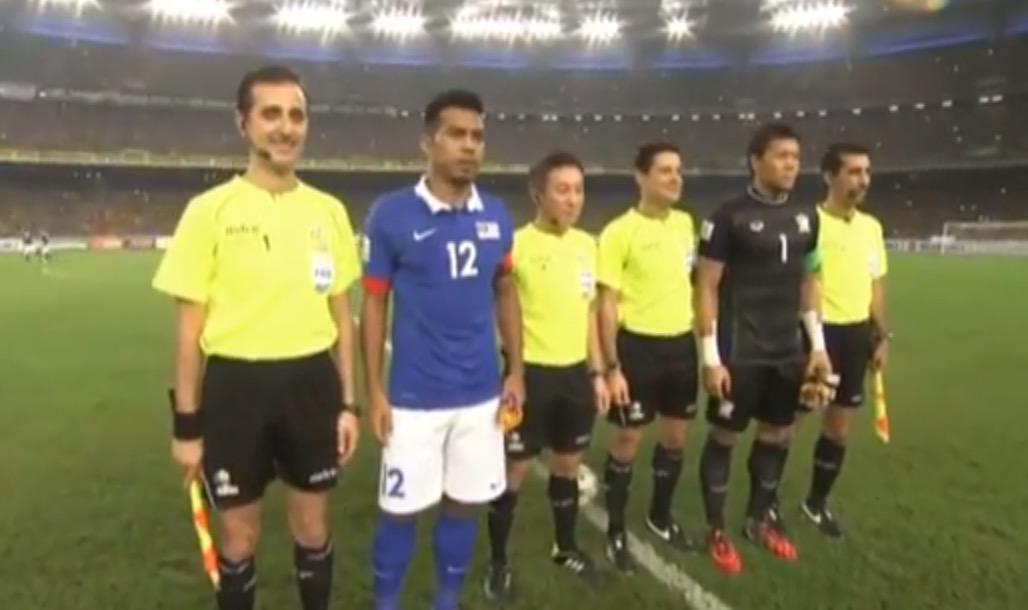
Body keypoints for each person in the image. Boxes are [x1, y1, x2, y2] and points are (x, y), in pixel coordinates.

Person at [153, 65, 361, 610]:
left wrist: (349, 405)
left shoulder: (329, 212)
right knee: (239, 538)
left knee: (312, 527)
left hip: (312, 384)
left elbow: (344, 318)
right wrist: (187, 429)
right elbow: (188, 334)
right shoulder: (208, 213)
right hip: (235, 390)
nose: (286, 127)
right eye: (271, 114)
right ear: (242, 122)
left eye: (296, 115)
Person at [361, 89, 525, 610]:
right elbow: (374, 304)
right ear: (428, 142)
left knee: (464, 505)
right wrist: (374, 391)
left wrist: (516, 372)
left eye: (477, 136)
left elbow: (505, 290)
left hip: (481, 397)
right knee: (400, 511)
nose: (469, 145)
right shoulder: (391, 214)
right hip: (413, 399)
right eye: (456, 134)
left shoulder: (496, 215)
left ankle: (446, 601)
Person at [694, 123, 833, 575]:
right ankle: (716, 528)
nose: (791, 164)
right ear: (756, 161)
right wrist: (711, 358)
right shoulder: (727, 217)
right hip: (740, 351)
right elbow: (706, 286)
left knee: (778, 434)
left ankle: (759, 519)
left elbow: (809, 282)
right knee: (724, 437)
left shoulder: (807, 216)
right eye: (781, 156)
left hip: (786, 351)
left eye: (796, 156)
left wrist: (817, 346)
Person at [484, 151, 611, 602]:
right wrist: (512, 373)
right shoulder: (515, 246)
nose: (573, 199)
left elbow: (589, 315)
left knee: (568, 465)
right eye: (562, 190)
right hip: (528, 378)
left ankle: (566, 546)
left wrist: (598, 372)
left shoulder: (588, 246)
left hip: (575, 377)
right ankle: (498, 561)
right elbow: (499, 311)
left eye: (578, 190)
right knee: (512, 471)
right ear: (538, 195)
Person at [596, 142, 700, 572]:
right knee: (628, 440)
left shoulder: (686, 224)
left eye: (679, 170)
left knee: (676, 438)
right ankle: (616, 529)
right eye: (665, 171)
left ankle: (660, 516)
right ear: (641, 177)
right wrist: (612, 367)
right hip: (637, 348)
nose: (675, 178)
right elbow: (605, 304)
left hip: (681, 347)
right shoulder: (619, 232)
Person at [798, 143, 890, 538]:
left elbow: (876, 285)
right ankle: (763, 507)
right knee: (786, 425)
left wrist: (881, 335)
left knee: (838, 429)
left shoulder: (871, 227)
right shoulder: (809, 223)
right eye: (853, 171)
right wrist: (814, 340)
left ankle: (816, 503)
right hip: (815, 335)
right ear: (829, 176)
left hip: (856, 336)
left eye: (866, 172)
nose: (863, 180)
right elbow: (806, 283)